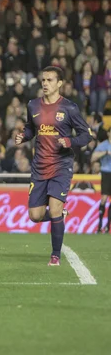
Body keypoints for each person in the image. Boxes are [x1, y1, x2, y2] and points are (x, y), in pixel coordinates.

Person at [15, 66, 93, 265]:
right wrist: (23, 136)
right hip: (39, 167)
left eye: (49, 80)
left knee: (55, 208)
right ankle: (59, 215)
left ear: (60, 84)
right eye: (43, 80)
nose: (45, 84)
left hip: (61, 165)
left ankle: (55, 255)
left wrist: (70, 142)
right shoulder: (33, 106)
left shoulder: (69, 108)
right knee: (35, 215)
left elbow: (86, 135)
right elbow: (31, 129)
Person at [90, 126, 111, 233]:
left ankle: (108, 226)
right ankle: (99, 225)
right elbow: (93, 157)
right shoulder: (104, 146)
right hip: (106, 173)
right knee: (104, 198)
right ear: (108, 133)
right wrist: (106, 153)